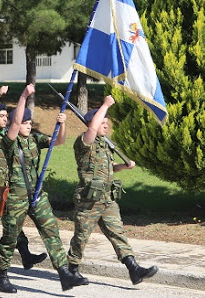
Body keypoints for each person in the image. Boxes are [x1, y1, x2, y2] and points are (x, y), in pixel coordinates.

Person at [0, 84, 87, 293]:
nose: (27, 125)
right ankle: (1, 276)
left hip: (36, 195)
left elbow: (58, 140)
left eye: (29, 122)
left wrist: (61, 124)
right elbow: (15, 122)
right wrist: (24, 95)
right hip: (15, 197)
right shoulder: (8, 141)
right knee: (10, 237)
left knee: (50, 229)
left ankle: (64, 273)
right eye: (24, 122)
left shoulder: (35, 139)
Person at [67, 95, 158, 285]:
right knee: (81, 237)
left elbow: (108, 167)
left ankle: (134, 269)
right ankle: (72, 270)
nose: (106, 126)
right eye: (103, 122)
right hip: (89, 200)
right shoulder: (85, 142)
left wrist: (123, 167)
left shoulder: (104, 144)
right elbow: (92, 128)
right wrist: (106, 105)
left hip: (107, 199)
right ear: (94, 122)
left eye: (107, 123)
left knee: (118, 234)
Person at [0, 86, 46, 270]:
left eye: (7, 116)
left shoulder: (8, 136)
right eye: (2, 115)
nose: (5, 118)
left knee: (13, 225)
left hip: (6, 187)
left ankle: (25, 254)